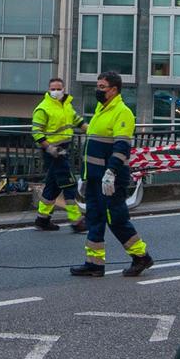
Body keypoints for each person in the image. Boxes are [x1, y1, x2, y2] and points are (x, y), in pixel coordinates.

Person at [71, 70, 152, 278]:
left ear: (114, 90)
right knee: (95, 218)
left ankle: (141, 256)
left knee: (116, 219)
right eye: (98, 86)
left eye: (102, 87)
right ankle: (94, 264)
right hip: (95, 177)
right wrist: (86, 175)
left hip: (110, 179)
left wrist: (111, 171)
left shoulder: (122, 112)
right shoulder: (101, 109)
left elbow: (122, 146)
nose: (98, 91)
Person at [31, 76, 83, 233]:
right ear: (48, 90)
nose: (56, 91)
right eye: (53, 89)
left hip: (63, 149)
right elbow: (36, 132)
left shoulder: (66, 105)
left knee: (53, 187)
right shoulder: (43, 108)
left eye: (58, 88)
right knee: (69, 183)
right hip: (53, 152)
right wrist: (49, 148)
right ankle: (76, 221)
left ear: (63, 89)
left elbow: (76, 120)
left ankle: (42, 219)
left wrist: (90, 128)